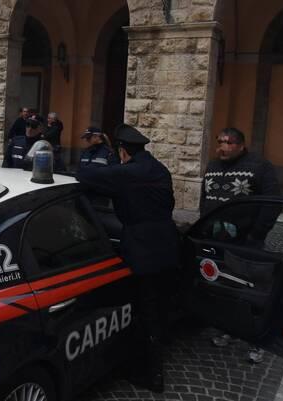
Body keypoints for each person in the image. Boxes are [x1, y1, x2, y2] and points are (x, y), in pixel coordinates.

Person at [76, 124, 179, 394]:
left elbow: (85, 176)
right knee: (160, 303)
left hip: (142, 248)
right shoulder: (159, 169)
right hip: (168, 243)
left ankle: (151, 373)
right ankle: (159, 348)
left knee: (144, 310)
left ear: (122, 151)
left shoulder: (127, 172)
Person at [200, 127, 281, 364]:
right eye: (220, 141)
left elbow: (272, 203)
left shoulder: (260, 167)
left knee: (252, 291)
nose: (222, 147)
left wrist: (256, 233)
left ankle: (257, 339)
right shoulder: (213, 166)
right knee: (225, 288)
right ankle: (229, 329)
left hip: (247, 243)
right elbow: (206, 198)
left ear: (241, 145)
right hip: (217, 241)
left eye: (229, 142)